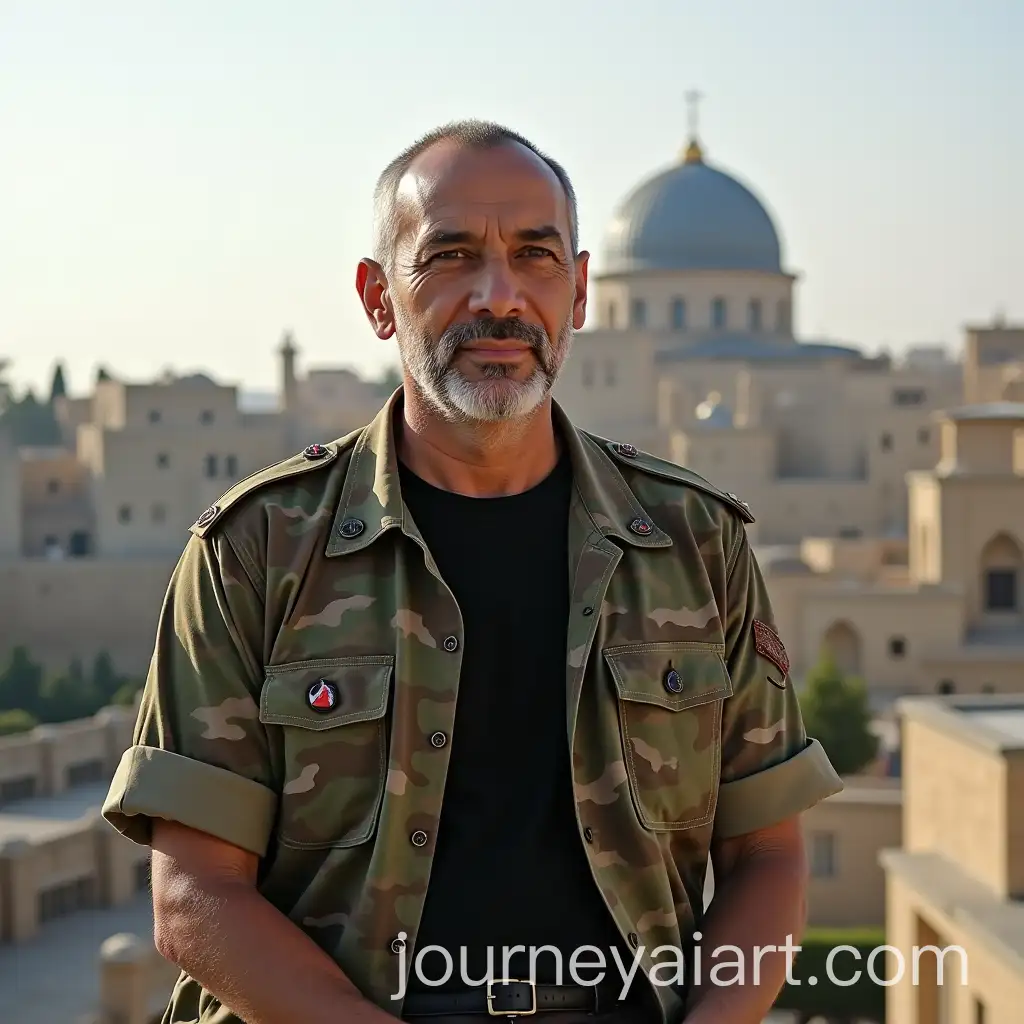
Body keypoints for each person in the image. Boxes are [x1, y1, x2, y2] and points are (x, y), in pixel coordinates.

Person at [102, 120, 843, 1024]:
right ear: (379, 299)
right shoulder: (257, 553)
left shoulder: (693, 542)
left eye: (535, 258)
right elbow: (194, 900)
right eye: (451, 256)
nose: (500, 296)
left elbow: (768, 854)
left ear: (578, 294)